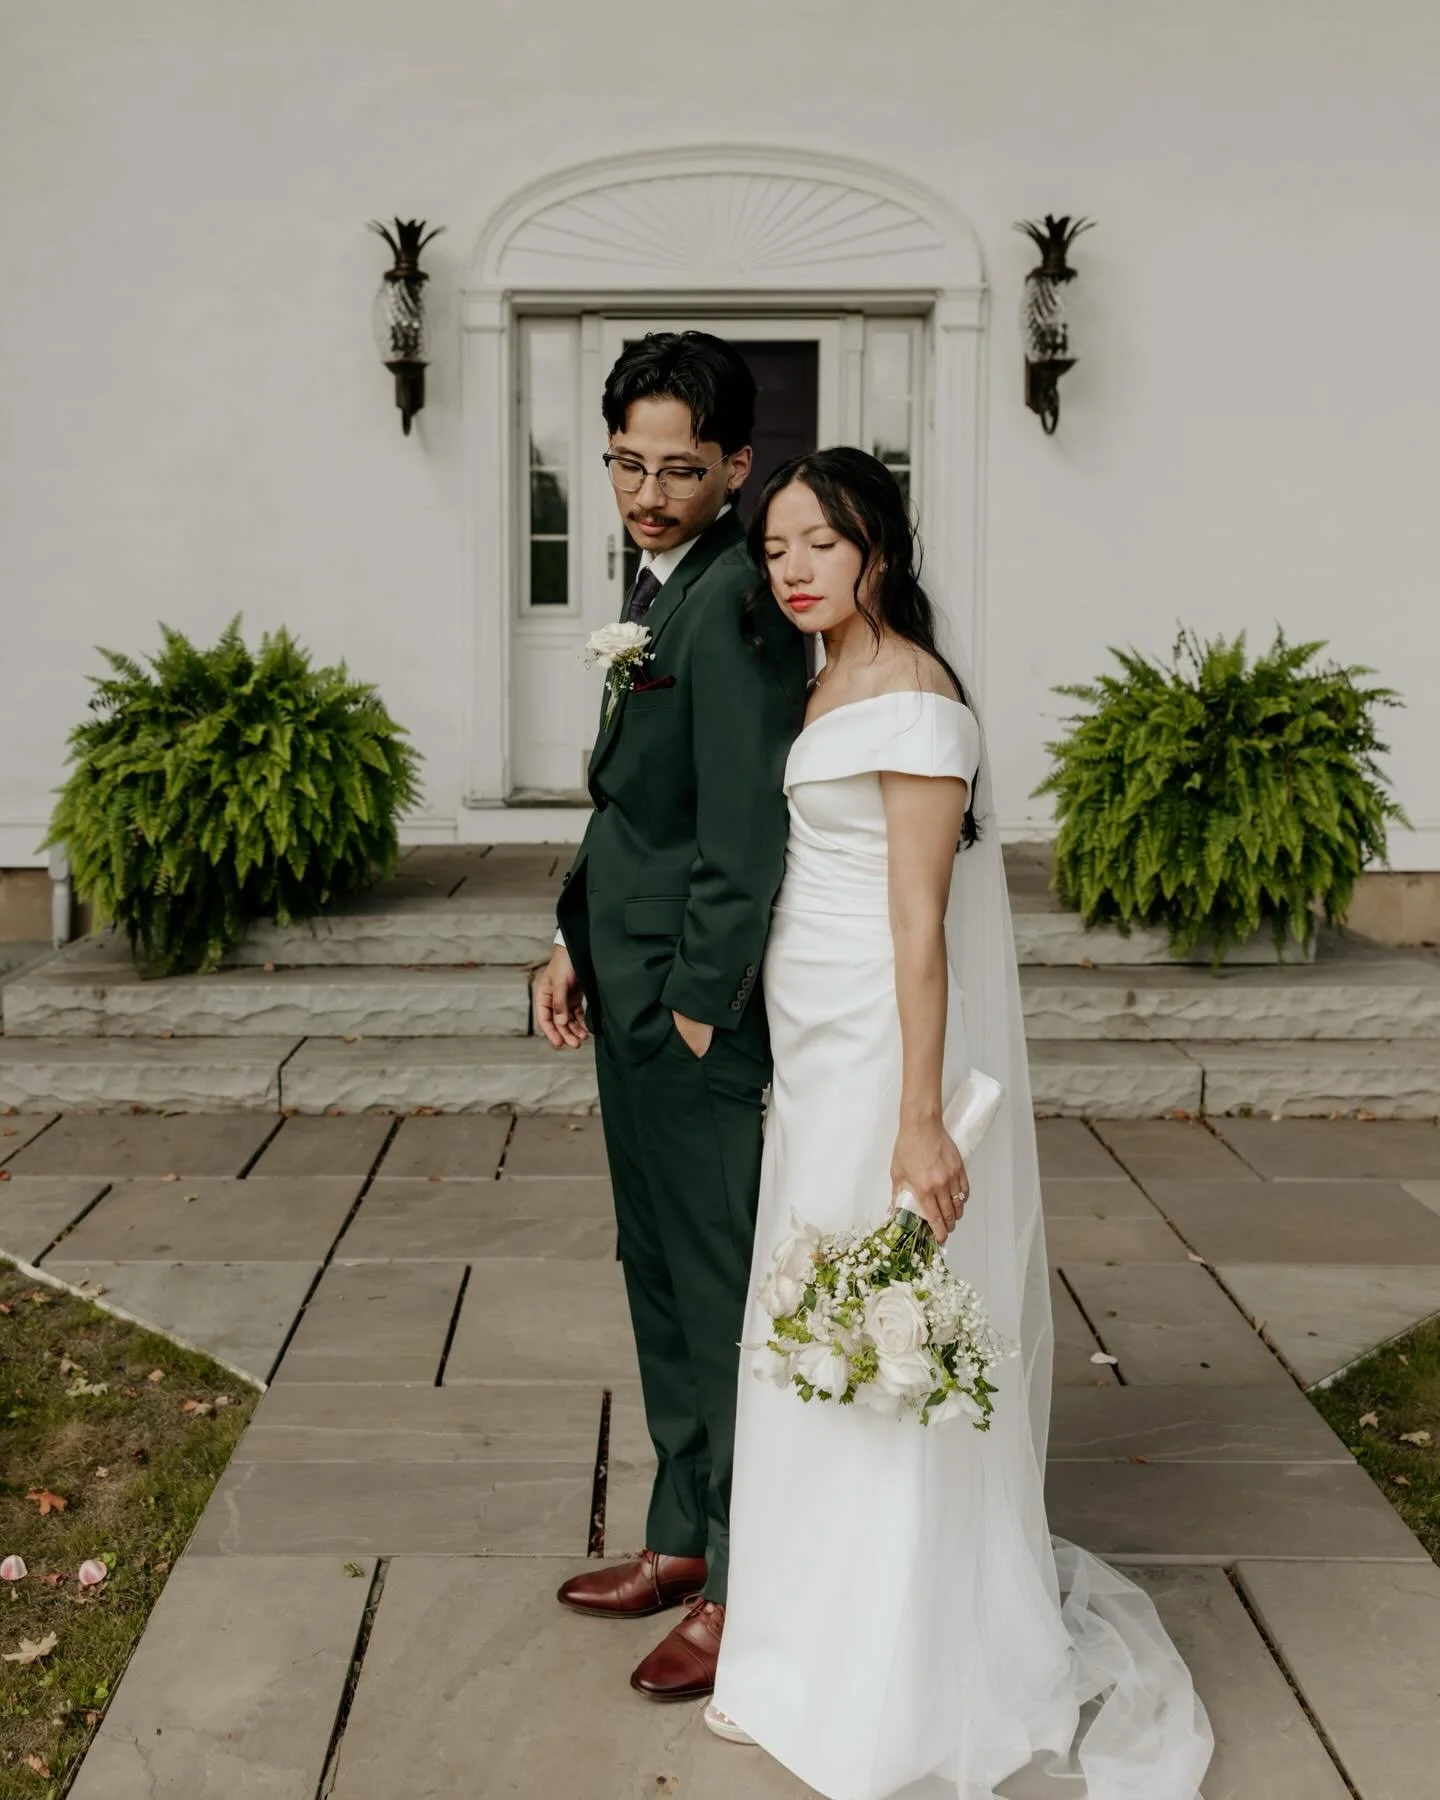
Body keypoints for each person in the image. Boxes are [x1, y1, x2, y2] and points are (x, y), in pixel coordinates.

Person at [709, 448, 1213, 1800]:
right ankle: (799, 1645)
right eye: (774, 550)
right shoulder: (813, 683)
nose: (794, 568)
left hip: (883, 1057)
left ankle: (899, 1673)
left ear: (877, 543)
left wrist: (922, 1120)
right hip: (813, 1058)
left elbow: (921, 931)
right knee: (806, 1327)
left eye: (819, 543)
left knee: (881, 1333)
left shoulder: (919, 703)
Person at [532, 331, 807, 1701]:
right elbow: (632, 800)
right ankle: (681, 1538)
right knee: (655, 1276)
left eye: (680, 469)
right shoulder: (656, 582)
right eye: (627, 463)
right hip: (620, 983)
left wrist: (699, 1008)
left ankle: (748, 1587)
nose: (646, 491)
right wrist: (568, 935)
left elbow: (744, 834)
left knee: (718, 1296)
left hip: (690, 1018)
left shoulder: (740, 609)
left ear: (737, 469)